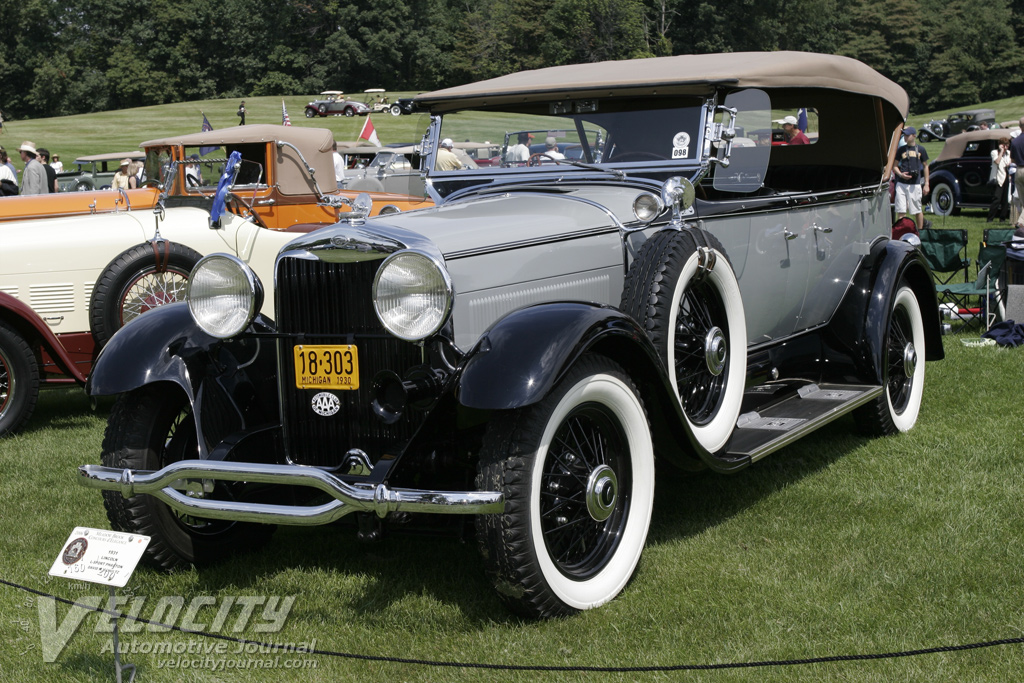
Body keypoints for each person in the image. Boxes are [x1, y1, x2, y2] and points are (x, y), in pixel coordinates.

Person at [893, 126, 930, 232]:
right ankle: (900, 232)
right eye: (904, 135)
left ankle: (920, 232)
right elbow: (895, 166)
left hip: (915, 184)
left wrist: (927, 183)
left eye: (907, 135)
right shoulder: (901, 150)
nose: (905, 137)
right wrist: (900, 174)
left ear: (914, 136)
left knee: (917, 209)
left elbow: (926, 166)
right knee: (901, 209)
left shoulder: (921, 149)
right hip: (901, 183)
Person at [989, 136, 1012, 223]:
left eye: (1007, 145)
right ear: (1000, 145)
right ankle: (990, 218)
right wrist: (1001, 151)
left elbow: (1009, 163)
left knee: (1005, 200)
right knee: (997, 199)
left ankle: (1002, 218)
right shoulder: (994, 152)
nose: (1006, 147)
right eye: (1004, 145)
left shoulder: (1009, 153)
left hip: (1007, 177)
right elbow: (997, 162)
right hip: (998, 178)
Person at [1010, 116, 1024, 228]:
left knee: (1022, 201)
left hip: (1019, 170)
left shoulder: (1015, 142)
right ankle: (1021, 222)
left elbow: (1013, 159)